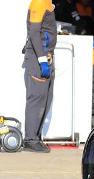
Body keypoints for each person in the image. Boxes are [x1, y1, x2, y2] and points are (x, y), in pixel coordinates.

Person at [22, 0, 57, 153]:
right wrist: (42, 59)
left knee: (46, 100)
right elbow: (35, 31)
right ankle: (30, 139)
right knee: (37, 99)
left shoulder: (47, 3)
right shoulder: (39, 2)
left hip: (47, 57)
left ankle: (35, 137)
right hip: (39, 59)